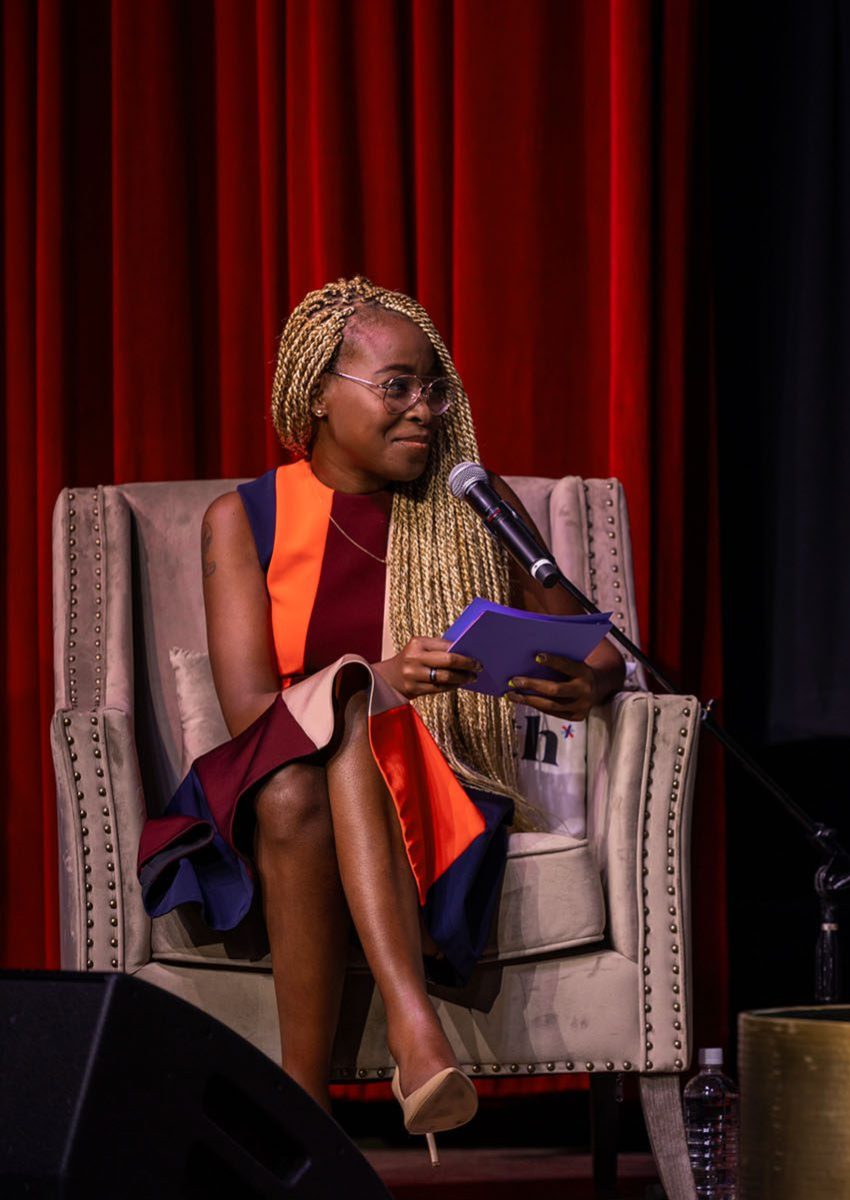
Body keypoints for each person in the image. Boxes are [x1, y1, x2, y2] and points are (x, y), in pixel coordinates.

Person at [136, 277, 629, 1153]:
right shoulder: (244, 520)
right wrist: (383, 678)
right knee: (340, 711)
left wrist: (583, 685)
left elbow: (596, 644)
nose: (426, 410)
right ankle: (414, 1029)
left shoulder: (476, 503)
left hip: (437, 789)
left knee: (316, 769)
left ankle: (302, 1111)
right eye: (396, 386)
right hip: (267, 781)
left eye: (434, 387)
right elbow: (252, 711)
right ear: (318, 393)